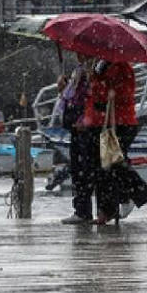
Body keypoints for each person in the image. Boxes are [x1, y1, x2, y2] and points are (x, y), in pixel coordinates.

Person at [81, 59, 147, 225]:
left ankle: (146, 195)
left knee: (114, 163)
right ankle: (108, 209)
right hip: (104, 121)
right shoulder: (99, 65)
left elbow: (123, 93)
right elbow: (95, 94)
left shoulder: (122, 67)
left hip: (120, 122)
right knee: (104, 168)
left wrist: (104, 89)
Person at [59, 53, 94, 224]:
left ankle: (84, 210)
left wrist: (83, 119)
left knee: (84, 170)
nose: (77, 54)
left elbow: (89, 98)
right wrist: (64, 88)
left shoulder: (89, 73)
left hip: (84, 127)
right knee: (78, 169)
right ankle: (81, 209)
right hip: (75, 125)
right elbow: (71, 97)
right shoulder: (79, 72)